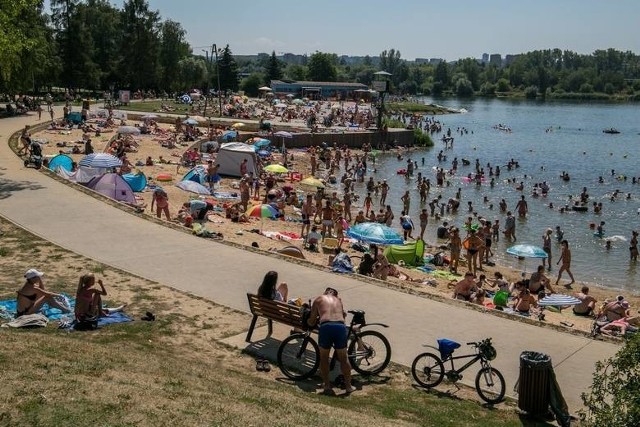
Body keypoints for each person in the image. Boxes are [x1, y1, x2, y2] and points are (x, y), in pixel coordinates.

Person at [307, 287, 354, 394]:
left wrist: (309, 321)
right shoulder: (339, 301)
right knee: (343, 358)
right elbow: (342, 316)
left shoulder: (319, 299)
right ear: (335, 295)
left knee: (324, 358)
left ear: (324, 292)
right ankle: (348, 386)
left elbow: (312, 320)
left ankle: (327, 386)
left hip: (326, 326)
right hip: (340, 327)